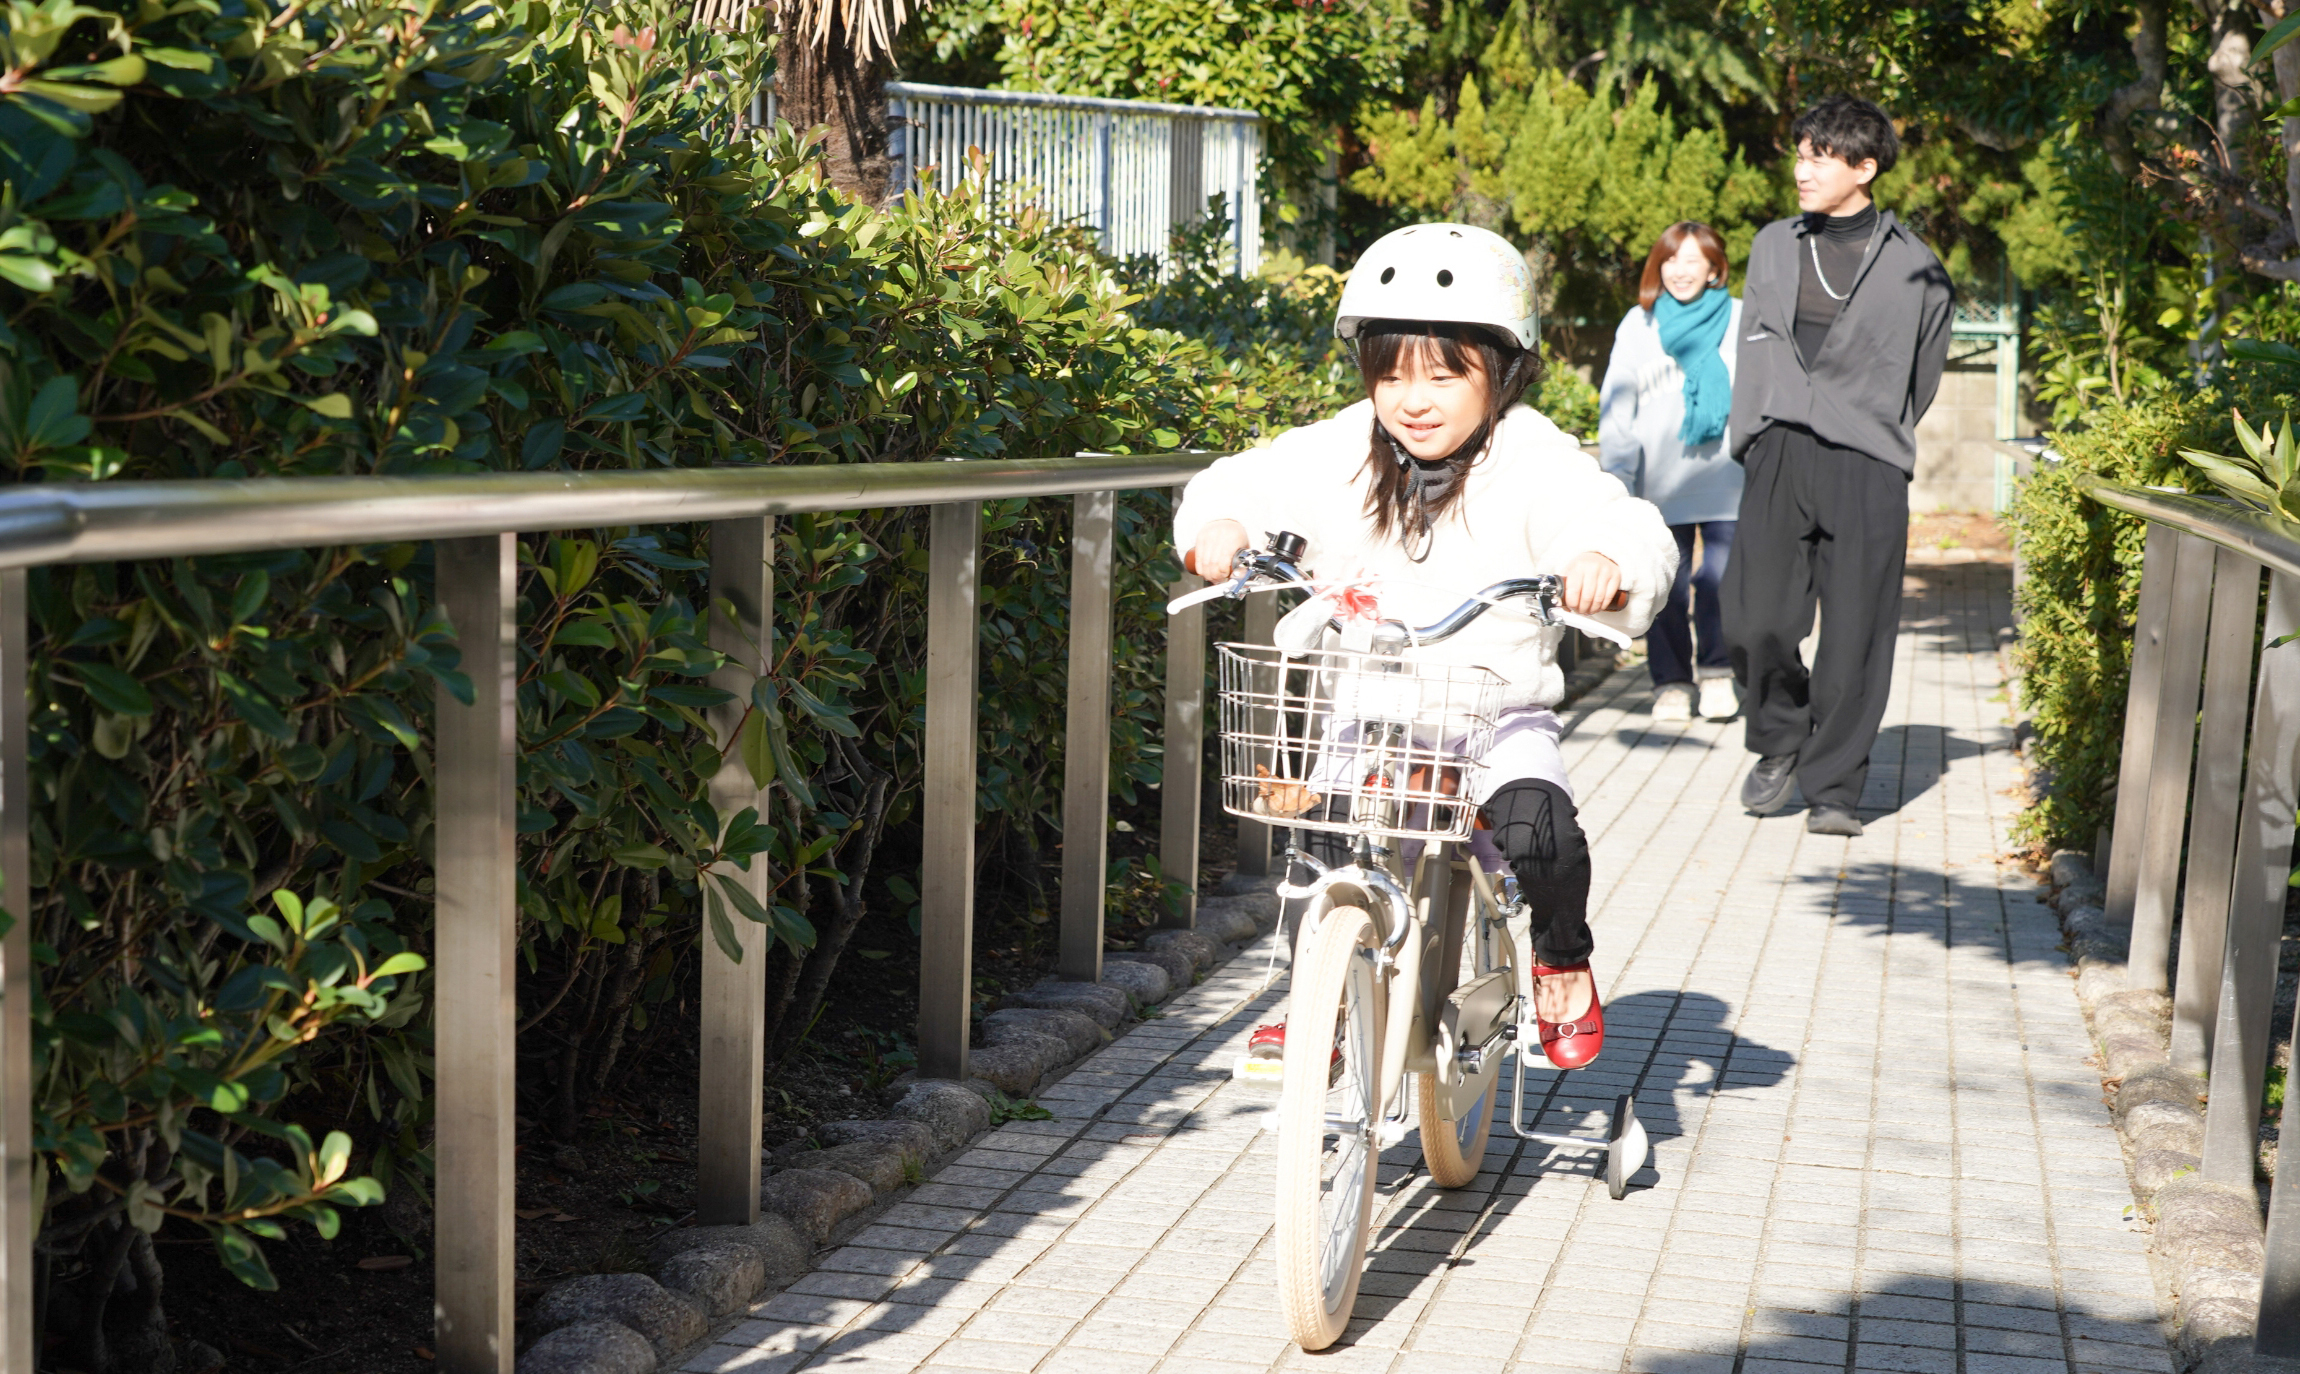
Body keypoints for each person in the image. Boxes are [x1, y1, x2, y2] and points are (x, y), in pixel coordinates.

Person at [1174, 222, 1678, 1067]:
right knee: (1326, 853)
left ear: (1504, 372)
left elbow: (1626, 524)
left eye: (1445, 373)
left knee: (1542, 831)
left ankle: (1560, 958)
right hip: (1368, 710)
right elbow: (1241, 480)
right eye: (1392, 373)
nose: (1415, 398)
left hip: (1494, 712)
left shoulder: (1534, 456)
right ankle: (1318, 1001)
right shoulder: (1340, 447)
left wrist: (1607, 563)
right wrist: (1221, 526)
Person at [1722, 96, 1954, 838]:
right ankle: (1779, 739)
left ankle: (1834, 787)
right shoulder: (1773, 245)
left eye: (1820, 156)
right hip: (1780, 448)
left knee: (1856, 631)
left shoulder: (1919, 269)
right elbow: (1755, 344)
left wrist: (1872, 429)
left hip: (1868, 461)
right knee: (1756, 618)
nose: (1802, 168)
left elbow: (1924, 374)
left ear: (1865, 167)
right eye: (1800, 153)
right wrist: (1755, 436)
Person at [1599, 222, 1744, 724]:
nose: (1680, 271)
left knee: (1719, 580)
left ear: (1714, 268)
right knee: (1667, 586)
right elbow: (1618, 409)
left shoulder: (1741, 319)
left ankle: (1719, 672)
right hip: (1659, 485)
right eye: (1670, 260)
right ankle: (1672, 683)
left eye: (1692, 260)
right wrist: (1618, 482)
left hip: (1730, 481)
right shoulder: (1638, 325)